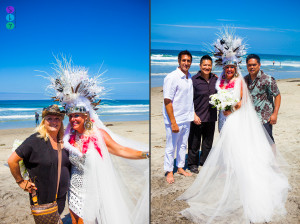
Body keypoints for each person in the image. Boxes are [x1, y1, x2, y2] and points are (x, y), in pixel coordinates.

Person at [178, 29, 289, 224]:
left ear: (235, 67)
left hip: (235, 118)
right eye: (227, 67)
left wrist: (231, 108)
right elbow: (216, 94)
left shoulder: (240, 80)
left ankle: (240, 172)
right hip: (223, 117)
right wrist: (222, 108)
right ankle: (228, 169)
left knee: (238, 145)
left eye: (232, 67)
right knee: (226, 143)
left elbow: (243, 100)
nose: (229, 69)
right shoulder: (219, 79)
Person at [47, 57, 149, 224]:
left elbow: (120, 150)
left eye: (77, 116)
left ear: (86, 115)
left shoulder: (98, 134)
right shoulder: (67, 138)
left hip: (93, 189)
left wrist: (145, 154)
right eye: (71, 116)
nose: (73, 119)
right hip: (74, 189)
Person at [8, 105, 71, 215]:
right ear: (43, 121)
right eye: (49, 118)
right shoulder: (35, 140)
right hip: (43, 198)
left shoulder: (63, 140)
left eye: (57, 119)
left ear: (61, 121)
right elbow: (12, 161)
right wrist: (21, 181)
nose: (54, 122)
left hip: (60, 197)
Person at [163, 50, 194, 184]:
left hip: (186, 118)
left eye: (188, 61)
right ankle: (169, 171)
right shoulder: (172, 77)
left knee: (182, 145)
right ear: (179, 61)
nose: (186, 63)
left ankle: (180, 167)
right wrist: (173, 122)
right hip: (174, 119)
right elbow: (167, 101)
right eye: (184, 60)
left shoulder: (189, 77)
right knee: (171, 146)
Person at [188, 55, 218, 174]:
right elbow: (189, 99)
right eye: (204, 65)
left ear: (212, 66)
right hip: (197, 116)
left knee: (207, 142)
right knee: (194, 142)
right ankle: (192, 164)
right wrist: (193, 115)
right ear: (200, 66)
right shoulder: (194, 80)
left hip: (211, 116)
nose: (207, 67)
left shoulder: (215, 79)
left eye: (209, 65)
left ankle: (204, 162)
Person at [244, 54, 281, 142]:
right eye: (249, 65)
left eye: (254, 65)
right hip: (250, 117)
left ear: (259, 65)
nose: (252, 67)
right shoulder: (245, 79)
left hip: (265, 118)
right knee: (253, 142)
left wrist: (275, 114)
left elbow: (277, 96)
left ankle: (272, 156)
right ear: (246, 66)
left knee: (268, 141)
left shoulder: (267, 79)